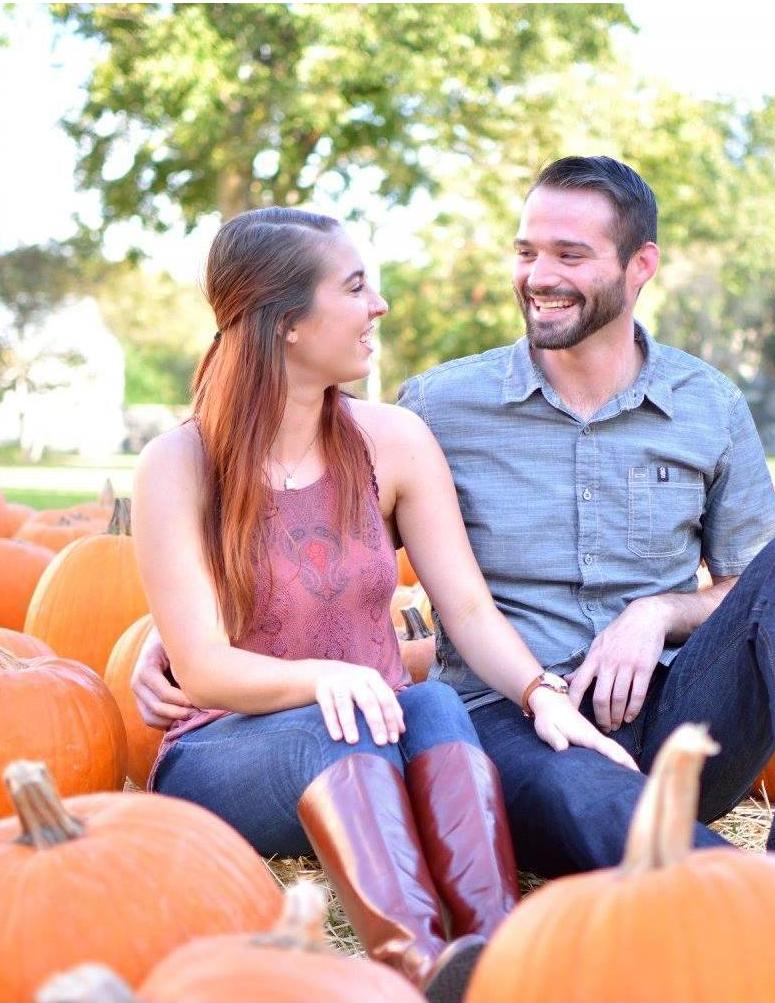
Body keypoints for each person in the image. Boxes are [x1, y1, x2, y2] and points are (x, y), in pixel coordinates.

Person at [136, 160, 775, 934]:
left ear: (638, 266)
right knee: (576, 781)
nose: (539, 276)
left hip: (669, 707)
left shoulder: (706, 403)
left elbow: (744, 587)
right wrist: (164, 637)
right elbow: (297, 534)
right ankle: (766, 913)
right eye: (526, 252)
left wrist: (656, 613)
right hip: (513, 724)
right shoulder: (436, 407)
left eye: (570, 255)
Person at [130, 206, 635, 1002]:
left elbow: (465, 609)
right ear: (286, 321)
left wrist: (543, 694)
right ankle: (416, 965)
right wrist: (325, 679)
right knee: (352, 719)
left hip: (376, 735)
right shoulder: (180, 462)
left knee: (432, 702)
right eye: (356, 287)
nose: (379, 308)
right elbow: (200, 666)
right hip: (226, 756)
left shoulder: (391, 440)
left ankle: (495, 949)